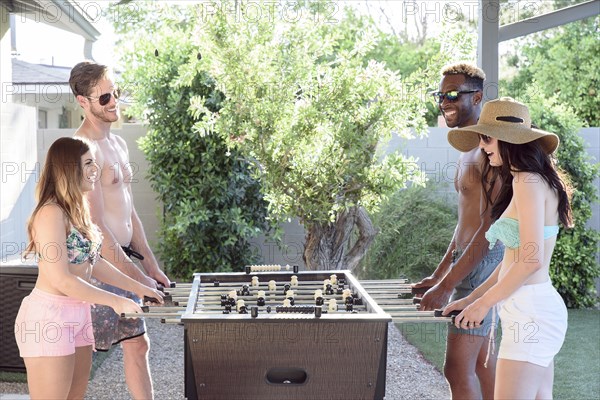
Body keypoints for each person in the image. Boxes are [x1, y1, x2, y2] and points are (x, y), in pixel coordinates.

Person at [14, 137, 163, 400]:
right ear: (68, 168)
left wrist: (141, 288)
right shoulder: (50, 213)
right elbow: (62, 279)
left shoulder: (76, 212)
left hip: (79, 313)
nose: (96, 170)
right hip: (49, 317)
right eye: (88, 163)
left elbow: (94, 265)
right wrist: (116, 301)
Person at [444, 97, 572, 399]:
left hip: (532, 315)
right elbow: (512, 261)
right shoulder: (525, 180)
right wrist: (471, 299)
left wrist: (483, 304)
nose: (483, 146)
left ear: (507, 139)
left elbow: (530, 261)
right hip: (529, 312)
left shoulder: (528, 181)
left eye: (486, 138)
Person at [69, 61, 170, 399]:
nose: (114, 102)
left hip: (122, 258)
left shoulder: (119, 145)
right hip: (96, 268)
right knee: (82, 357)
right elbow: (96, 226)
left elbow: (129, 211)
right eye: (105, 97)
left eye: (116, 93)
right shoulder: (83, 151)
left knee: (137, 345)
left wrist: (150, 265)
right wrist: (138, 281)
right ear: (83, 102)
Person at [412, 63, 504, 399]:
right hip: (469, 261)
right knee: (481, 363)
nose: (444, 101)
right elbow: (464, 221)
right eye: (440, 95)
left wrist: (448, 286)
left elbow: (488, 228)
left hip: (482, 264)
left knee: (457, 369)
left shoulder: (491, 151)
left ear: (477, 96)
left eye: (453, 94)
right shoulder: (468, 146)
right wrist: (439, 277)